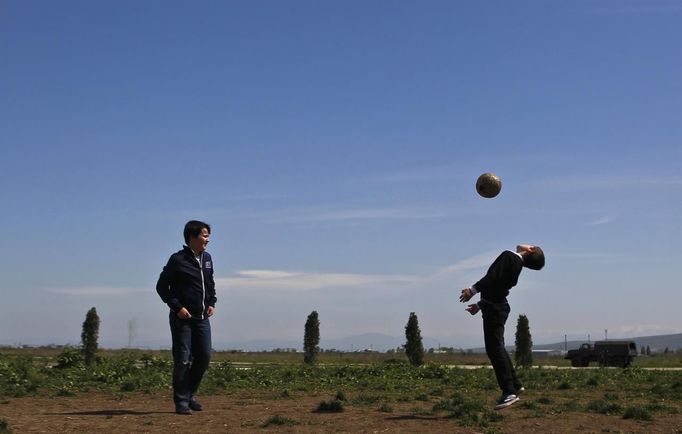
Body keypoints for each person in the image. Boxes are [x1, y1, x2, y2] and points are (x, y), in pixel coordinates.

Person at [459, 244, 545, 410]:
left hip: (495, 309)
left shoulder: (509, 256)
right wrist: (480, 305)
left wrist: (472, 290)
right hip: (496, 307)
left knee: (495, 349)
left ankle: (509, 392)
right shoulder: (515, 264)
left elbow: (491, 278)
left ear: (530, 250)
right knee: (498, 348)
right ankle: (515, 384)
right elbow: (496, 288)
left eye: (530, 244)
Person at [156, 220, 217, 415]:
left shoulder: (207, 259)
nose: (207, 239)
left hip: (202, 318)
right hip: (182, 318)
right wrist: (177, 307)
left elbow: (210, 283)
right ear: (192, 237)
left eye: (208, 235)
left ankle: (190, 394)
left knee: (204, 356)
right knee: (182, 359)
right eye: (204, 235)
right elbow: (161, 287)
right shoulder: (178, 259)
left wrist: (212, 302)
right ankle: (181, 401)